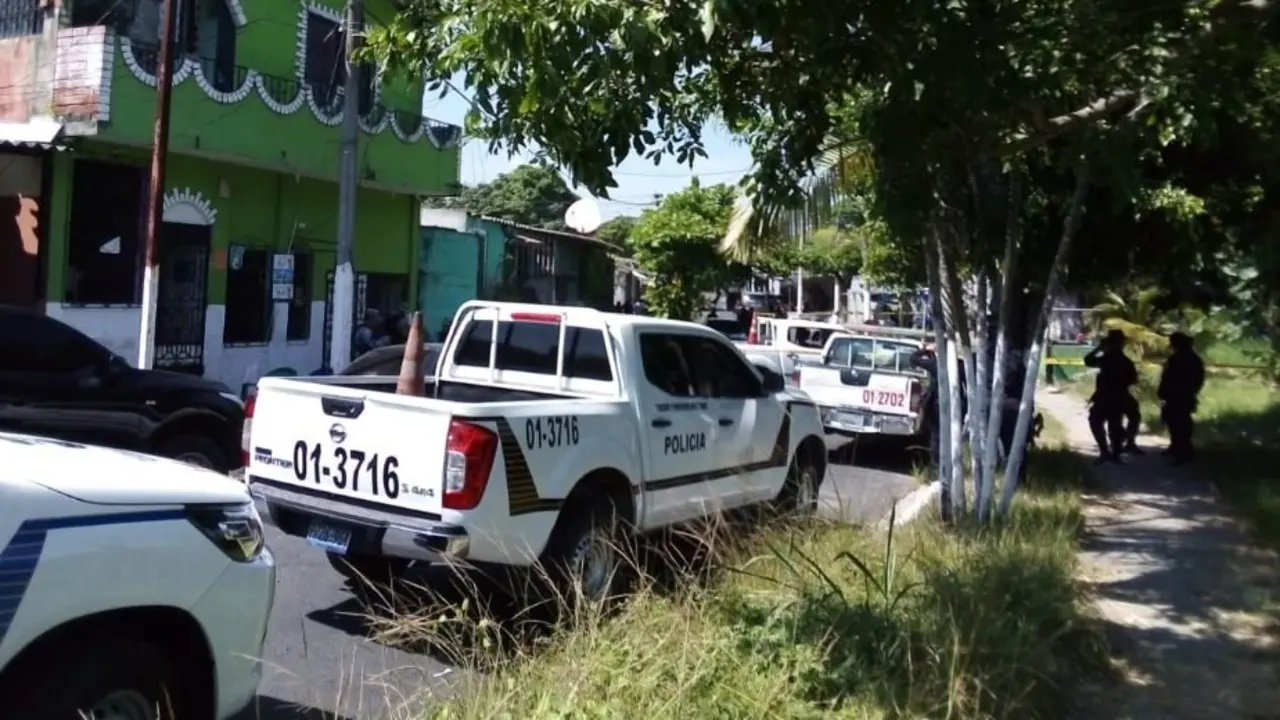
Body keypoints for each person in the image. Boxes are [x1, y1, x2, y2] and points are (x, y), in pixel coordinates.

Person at [1083, 330, 1138, 464]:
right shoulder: (1124, 361)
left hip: (1107, 396)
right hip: (1115, 396)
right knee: (1114, 425)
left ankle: (1107, 451)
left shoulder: (1108, 359)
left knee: (1099, 422)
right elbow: (1133, 379)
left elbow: (1088, 360)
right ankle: (1113, 454)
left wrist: (1099, 349)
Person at [1158, 331, 1205, 465]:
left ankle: (1183, 451)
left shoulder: (1182, 359)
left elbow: (1169, 376)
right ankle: (1177, 447)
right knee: (1176, 421)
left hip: (1179, 394)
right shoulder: (1191, 359)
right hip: (1181, 394)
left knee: (1179, 423)